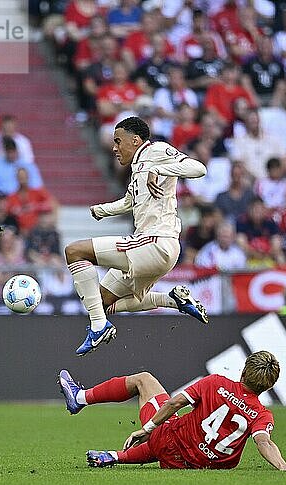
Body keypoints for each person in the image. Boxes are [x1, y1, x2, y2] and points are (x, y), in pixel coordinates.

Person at [64, 116, 208, 356]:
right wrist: (103, 210)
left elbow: (198, 168)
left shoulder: (157, 150)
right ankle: (173, 300)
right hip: (156, 250)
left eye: (118, 141)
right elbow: (130, 201)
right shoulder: (137, 167)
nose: (114, 148)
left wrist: (159, 169)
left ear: (135, 140)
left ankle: (98, 327)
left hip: (156, 242)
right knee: (100, 301)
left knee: (75, 251)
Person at [58, 351, 286, 471]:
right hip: (205, 465)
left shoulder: (216, 383)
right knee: (179, 437)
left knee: (144, 380)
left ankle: (79, 398)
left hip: (171, 446)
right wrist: (282, 466)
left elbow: (174, 404)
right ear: (269, 385)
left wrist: (146, 429)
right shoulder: (262, 415)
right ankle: (114, 456)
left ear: (243, 371)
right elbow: (263, 442)